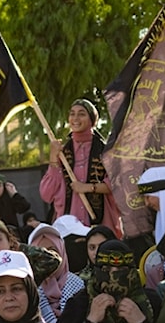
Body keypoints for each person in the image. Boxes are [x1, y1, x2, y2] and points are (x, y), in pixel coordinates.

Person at [40, 99, 121, 235]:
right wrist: (53, 158)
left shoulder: (106, 150)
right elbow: (46, 194)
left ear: (92, 120)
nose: (75, 118)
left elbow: (117, 184)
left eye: (81, 114)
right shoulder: (62, 152)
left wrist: (89, 187)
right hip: (69, 227)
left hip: (101, 223)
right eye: (72, 114)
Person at [28, 223, 88, 323]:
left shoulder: (78, 285)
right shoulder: (28, 289)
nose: (48, 257)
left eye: (52, 251)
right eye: (41, 252)